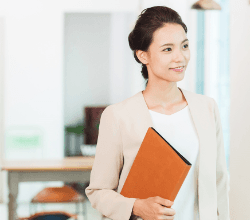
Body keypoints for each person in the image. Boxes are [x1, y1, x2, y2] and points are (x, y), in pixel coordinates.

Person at [85, 6, 230, 220]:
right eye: (167, 49)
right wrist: (136, 206)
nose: (180, 57)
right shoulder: (118, 116)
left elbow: (219, 181)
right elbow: (98, 192)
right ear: (143, 56)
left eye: (185, 46)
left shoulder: (207, 108)